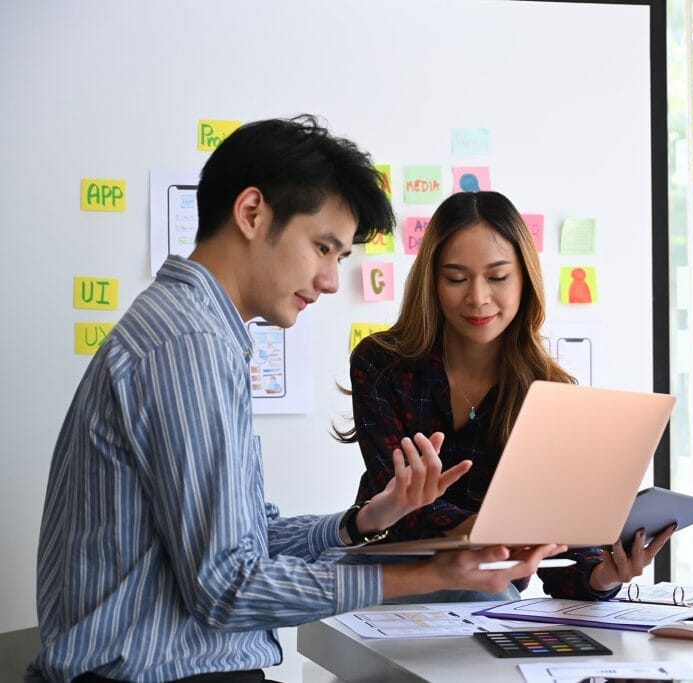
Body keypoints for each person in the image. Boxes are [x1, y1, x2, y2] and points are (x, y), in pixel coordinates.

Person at [29, 117, 562, 683]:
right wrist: (428, 572)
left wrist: (361, 523)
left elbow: (246, 542)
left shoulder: (195, 333)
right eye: (323, 248)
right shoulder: (190, 347)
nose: (331, 280)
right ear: (252, 213)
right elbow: (228, 589)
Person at [339, 190, 673, 601]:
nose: (477, 298)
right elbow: (394, 500)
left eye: (498, 277)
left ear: (524, 279)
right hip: (387, 579)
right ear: (432, 280)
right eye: (456, 278)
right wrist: (491, 531)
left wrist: (606, 574)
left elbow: (562, 563)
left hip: (489, 592)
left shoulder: (550, 390)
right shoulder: (380, 363)